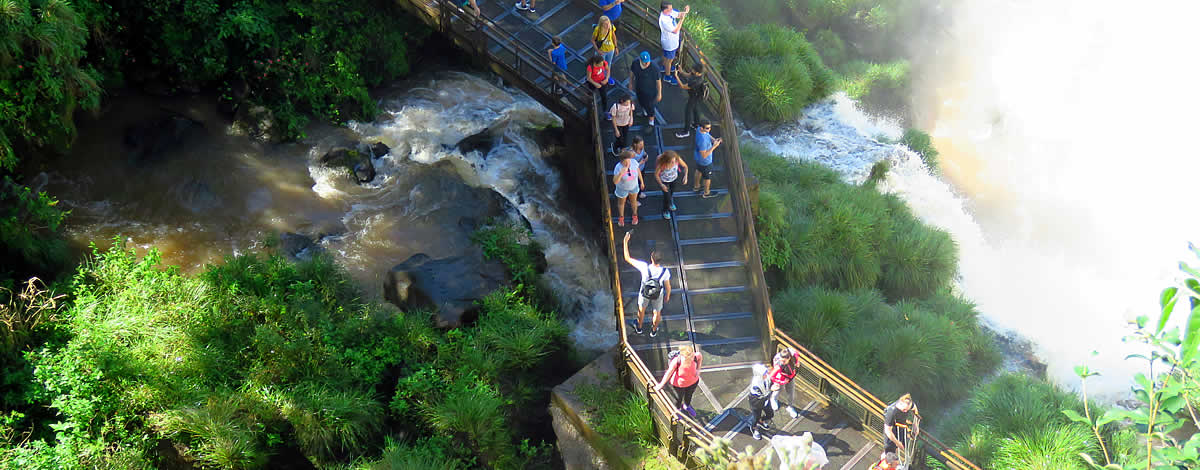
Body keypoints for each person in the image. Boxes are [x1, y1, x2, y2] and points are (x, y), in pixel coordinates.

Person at [623, 231, 671, 337]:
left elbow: (627, 258)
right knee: (657, 312)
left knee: (641, 310)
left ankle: (639, 328)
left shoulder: (644, 267)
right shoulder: (665, 271)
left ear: (651, 258)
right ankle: (653, 330)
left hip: (644, 292)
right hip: (658, 293)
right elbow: (668, 286)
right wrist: (667, 295)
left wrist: (625, 242)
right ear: (660, 260)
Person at [655, 344, 703, 417]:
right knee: (678, 399)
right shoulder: (677, 361)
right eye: (690, 357)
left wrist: (698, 369)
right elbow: (668, 373)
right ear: (684, 356)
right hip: (679, 385)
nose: (692, 358)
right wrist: (661, 384)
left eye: (692, 355)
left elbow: (700, 358)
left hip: (693, 382)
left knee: (689, 395)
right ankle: (678, 410)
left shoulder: (696, 356)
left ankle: (686, 406)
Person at [658, 2, 689, 85]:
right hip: (669, 43)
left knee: (666, 56)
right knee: (669, 60)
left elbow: (679, 14)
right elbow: (675, 30)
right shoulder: (664, 20)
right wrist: (681, 20)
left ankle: (664, 67)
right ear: (665, 10)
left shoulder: (669, 12)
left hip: (672, 41)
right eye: (670, 9)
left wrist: (685, 11)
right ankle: (667, 76)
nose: (672, 10)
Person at [629, 51, 662, 127]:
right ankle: (644, 113)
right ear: (640, 60)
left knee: (650, 106)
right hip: (639, 88)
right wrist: (630, 85)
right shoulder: (635, 63)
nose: (646, 63)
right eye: (644, 62)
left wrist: (659, 93)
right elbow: (631, 74)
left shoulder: (654, 68)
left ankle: (651, 122)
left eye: (647, 61)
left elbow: (658, 81)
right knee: (641, 101)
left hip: (651, 91)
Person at [674, 62, 707, 135]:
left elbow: (683, 86)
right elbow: (688, 75)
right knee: (695, 109)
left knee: (688, 113)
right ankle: (696, 125)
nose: (692, 70)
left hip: (694, 97)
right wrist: (681, 71)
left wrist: (676, 76)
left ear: (697, 73)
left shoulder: (696, 82)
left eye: (693, 70)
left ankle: (686, 132)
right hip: (697, 96)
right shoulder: (698, 74)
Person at [612, 151, 643, 226]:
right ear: (621, 161)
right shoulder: (618, 167)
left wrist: (642, 181)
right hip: (622, 188)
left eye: (628, 161)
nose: (628, 163)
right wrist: (621, 174)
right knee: (621, 203)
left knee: (633, 201)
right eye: (625, 162)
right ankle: (621, 217)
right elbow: (615, 181)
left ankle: (635, 215)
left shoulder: (634, 162)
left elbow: (638, 171)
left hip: (634, 186)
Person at [690, 120, 720, 198]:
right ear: (702, 128)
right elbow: (704, 155)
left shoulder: (699, 129)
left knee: (698, 170)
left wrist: (714, 140)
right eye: (707, 128)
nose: (709, 129)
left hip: (698, 158)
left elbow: (708, 134)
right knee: (707, 178)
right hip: (705, 161)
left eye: (710, 127)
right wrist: (714, 146)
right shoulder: (702, 141)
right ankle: (706, 193)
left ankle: (696, 187)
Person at [882, 394, 916, 461]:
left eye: (907, 410)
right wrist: (897, 443)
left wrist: (915, 424)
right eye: (904, 409)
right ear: (900, 403)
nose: (906, 411)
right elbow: (888, 431)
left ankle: (895, 452)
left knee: (904, 444)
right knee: (889, 452)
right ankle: (884, 460)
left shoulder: (908, 404)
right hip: (891, 430)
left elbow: (914, 408)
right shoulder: (891, 412)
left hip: (900, 426)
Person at [655, 150, 687, 219]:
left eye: (674, 161)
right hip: (665, 181)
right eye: (672, 162)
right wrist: (661, 184)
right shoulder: (662, 165)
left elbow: (685, 166)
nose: (674, 163)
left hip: (674, 179)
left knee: (671, 192)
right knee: (666, 197)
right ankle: (665, 210)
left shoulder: (677, 160)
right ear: (667, 161)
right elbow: (656, 175)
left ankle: (670, 202)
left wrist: (685, 176)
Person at [592, 16, 619, 85]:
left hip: (610, 49)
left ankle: (607, 77)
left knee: (608, 64)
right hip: (602, 51)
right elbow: (592, 40)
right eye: (605, 24)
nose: (607, 26)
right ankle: (597, 77)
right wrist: (597, 50)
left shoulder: (611, 27)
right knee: (600, 65)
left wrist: (616, 47)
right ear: (601, 24)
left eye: (608, 23)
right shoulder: (598, 30)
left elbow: (614, 37)